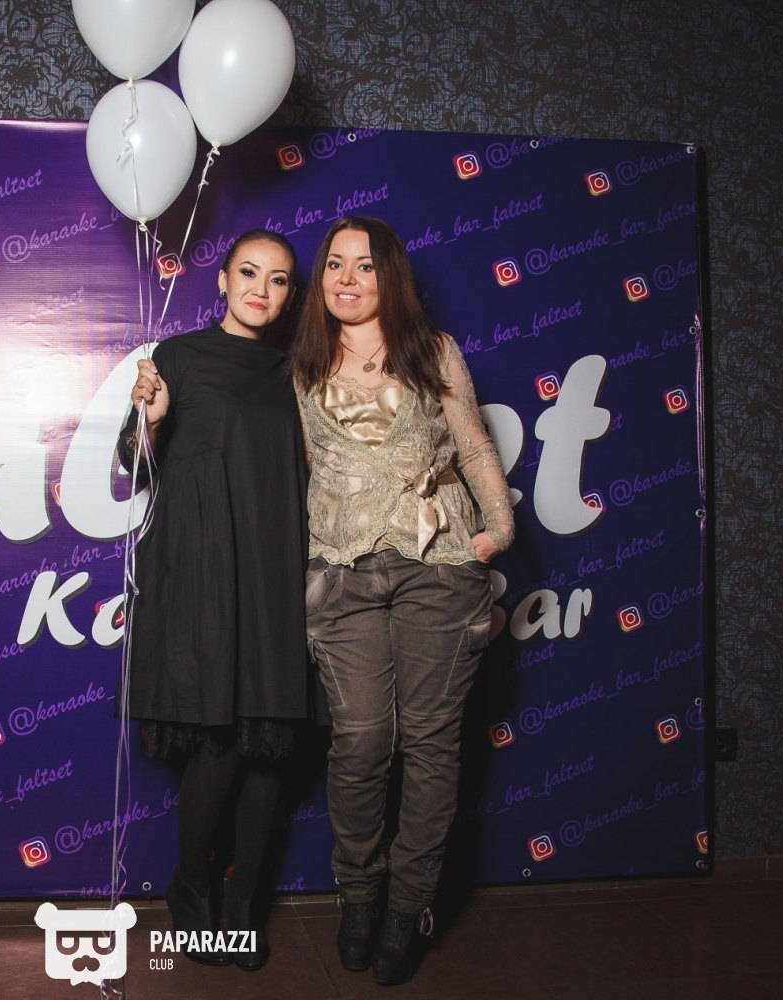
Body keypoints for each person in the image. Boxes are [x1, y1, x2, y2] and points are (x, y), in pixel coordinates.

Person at [291, 217, 513, 986]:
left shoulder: (434, 350)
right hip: (342, 574)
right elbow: (299, 466)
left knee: (430, 744)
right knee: (360, 742)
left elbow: (473, 443)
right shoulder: (304, 363)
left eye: (364, 265)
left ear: (391, 276)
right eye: (334, 265)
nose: (347, 279)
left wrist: (498, 528)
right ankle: (358, 893)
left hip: (439, 567)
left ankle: (408, 906)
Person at [118, 229, 309, 972]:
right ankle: (191, 889)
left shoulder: (300, 370)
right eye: (249, 273)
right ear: (223, 281)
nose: (262, 289)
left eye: (279, 279)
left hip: (280, 568)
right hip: (202, 570)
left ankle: (245, 906)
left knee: (273, 748)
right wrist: (152, 418)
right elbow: (134, 466)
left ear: (291, 294)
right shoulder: (179, 357)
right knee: (221, 744)